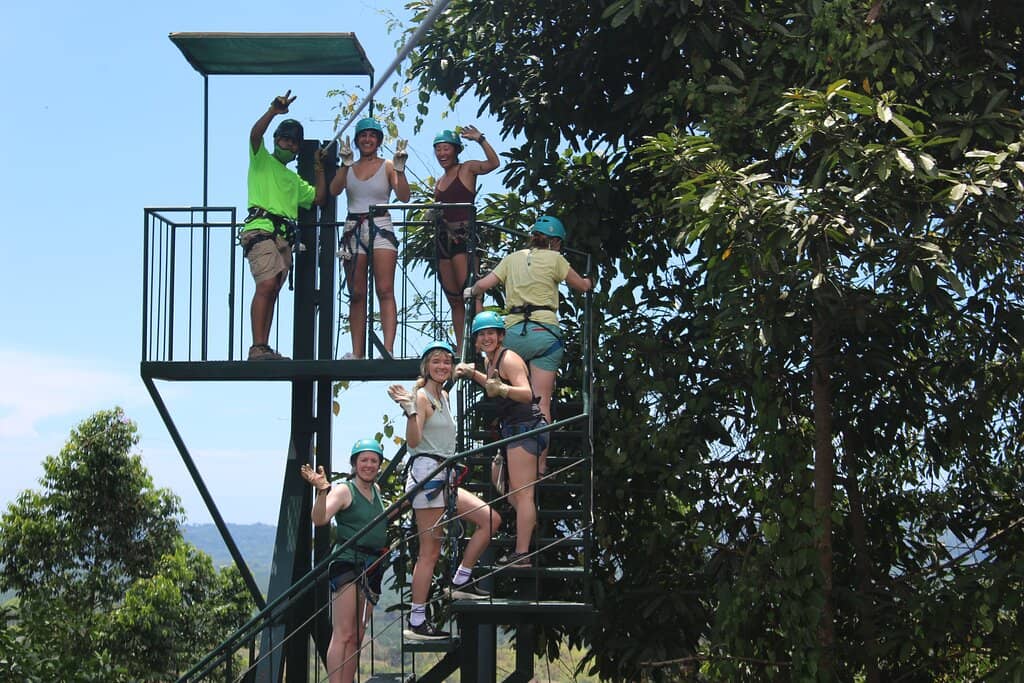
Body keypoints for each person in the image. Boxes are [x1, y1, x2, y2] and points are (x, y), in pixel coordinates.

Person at [387, 341, 502, 640]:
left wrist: (468, 370)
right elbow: (413, 442)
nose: (442, 366)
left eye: (447, 362)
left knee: (490, 519)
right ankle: (416, 621)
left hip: (445, 474)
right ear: (426, 366)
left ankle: (461, 579)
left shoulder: (445, 395)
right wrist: (411, 411)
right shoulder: (422, 396)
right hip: (429, 474)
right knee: (430, 552)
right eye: (436, 361)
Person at [462, 215, 592, 460]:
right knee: (541, 402)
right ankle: (539, 467)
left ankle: (508, 455)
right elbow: (582, 286)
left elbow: (484, 285)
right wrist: (589, 280)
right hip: (545, 334)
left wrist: (473, 293)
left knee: (510, 399)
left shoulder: (513, 259)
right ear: (555, 242)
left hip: (512, 336)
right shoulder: (556, 258)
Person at [454, 312, 546, 567]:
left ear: (501, 336)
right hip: (513, 429)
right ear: (475, 339)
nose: (486, 338)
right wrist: (474, 374)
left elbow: (526, 394)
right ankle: (527, 525)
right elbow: (492, 385)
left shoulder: (509, 358)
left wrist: (503, 389)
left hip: (525, 426)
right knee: (506, 488)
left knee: (523, 494)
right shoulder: (490, 361)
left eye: (491, 333)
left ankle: (522, 553)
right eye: (482, 334)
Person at [241, 90, 327, 361]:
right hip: (261, 228)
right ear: (276, 139)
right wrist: (272, 111)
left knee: (274, 288)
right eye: (284, 139)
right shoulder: (262, 160)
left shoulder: (294, 180)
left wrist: (320, 168)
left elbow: (319, 198)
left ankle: (263, 346)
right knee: (266, 285)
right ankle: (257, 346)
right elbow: (255, 136)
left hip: (283, 236)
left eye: (293, 143)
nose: (288, 146)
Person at [300, 439, 389, 683]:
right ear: (354, 464)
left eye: (374, 460)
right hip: (349, 563)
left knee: (358, 635)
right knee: (344, 633)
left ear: (379, 465)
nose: (369, 465)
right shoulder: (344, 490)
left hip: (372, 565)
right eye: (364, 460)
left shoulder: (376, 492)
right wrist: (321, 492)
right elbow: (320, 519)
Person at [330, 117, 411, 359]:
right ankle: (357, 352)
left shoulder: (387, 165)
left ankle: (388, 349)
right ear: (357, 140)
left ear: (378, 140)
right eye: (363, 136)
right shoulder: (350, 167)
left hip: (381, 224)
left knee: (385, 289)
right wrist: (344, 166)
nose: (367, 140)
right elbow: (334, 190)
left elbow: (404, 196)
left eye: (372, 136)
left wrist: (399, 169)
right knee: (356, 293)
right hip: (354, 226)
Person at [432, 126, 499, 350]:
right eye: (438, 149)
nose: (442, 153)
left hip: (463, 236)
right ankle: (462, 347)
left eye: (446, 148)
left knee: (470, 292)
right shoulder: (439, 181)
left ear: (455, 150)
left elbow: (493, 163)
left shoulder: (467, 169)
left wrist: (480, 139)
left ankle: (482, 343)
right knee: (453, 298)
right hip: (443, 238)